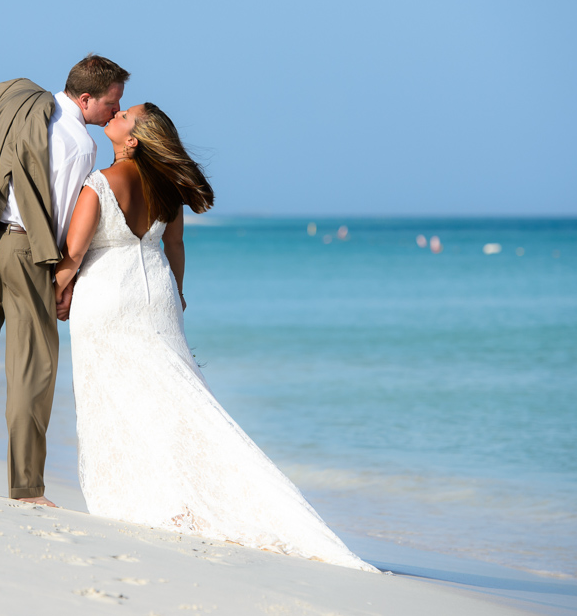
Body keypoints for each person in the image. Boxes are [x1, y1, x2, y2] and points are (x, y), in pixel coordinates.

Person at [54, 103, 378, 571]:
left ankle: (141, 498)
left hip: (107, 299)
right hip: (159, 294)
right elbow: (174, 245)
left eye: (124, 115)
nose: (117, 113)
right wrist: (179, 293)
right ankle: (182, 497)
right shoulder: (166, 185)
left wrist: (55, 294)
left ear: (133, 139)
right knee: (173, 400)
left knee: (113, 397)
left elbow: (74, 252)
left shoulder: (101, 183)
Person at [0, 55, 129, 506]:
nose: (116, 111)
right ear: (86, 98)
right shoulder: (81, 143)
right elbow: (60, 221)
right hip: (25, 251)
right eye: (112, 101)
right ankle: (26, 489)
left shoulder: (19, 102)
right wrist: (65, 279)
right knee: (32, 370)